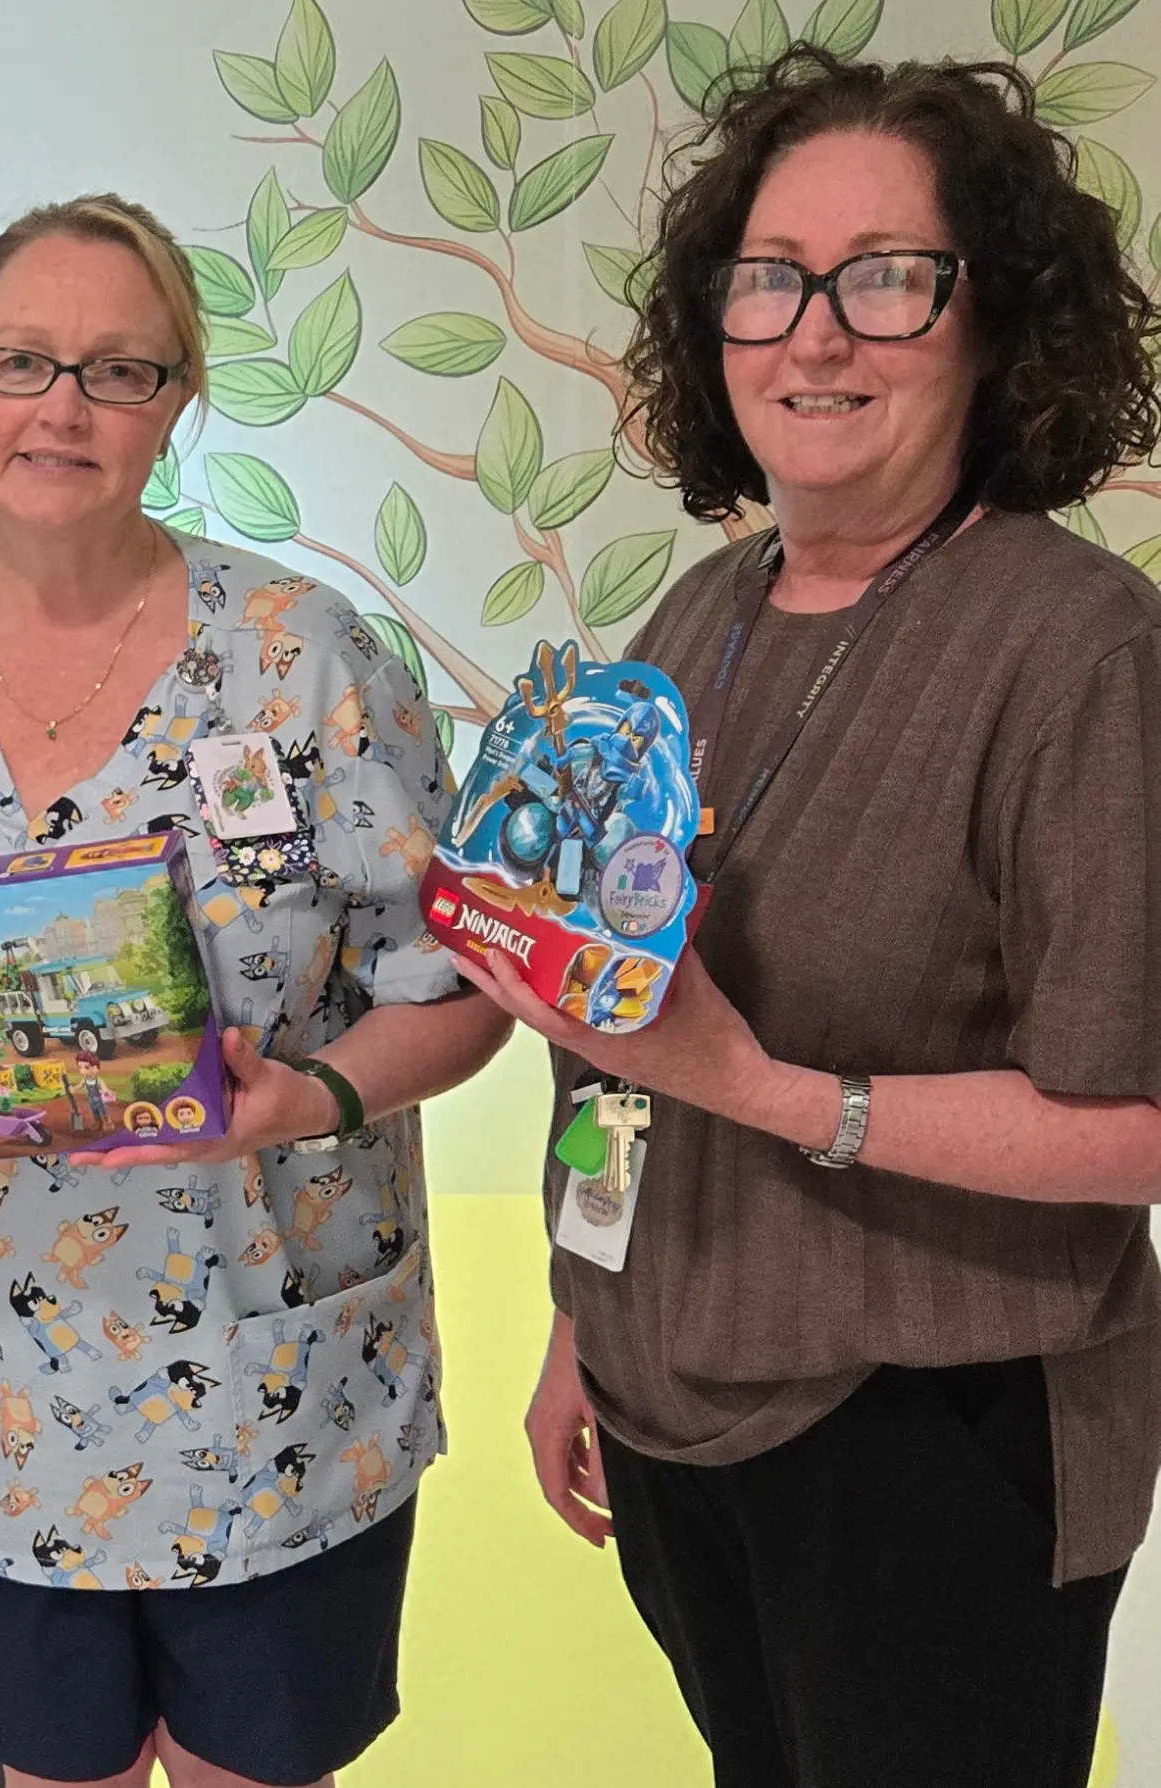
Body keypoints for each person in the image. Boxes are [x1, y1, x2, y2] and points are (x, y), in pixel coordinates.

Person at [0, 195, 511, 1788]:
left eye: (117, 370)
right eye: (21, 360)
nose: (60, 408)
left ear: (176, 398)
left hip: (270, 1379)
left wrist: (313, 1095)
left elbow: (461, 984)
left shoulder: (302, 659)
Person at [448, 50, 1161, 1788]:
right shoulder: (701, 613)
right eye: (766, 278)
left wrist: (765, 1089)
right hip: (675, 1399)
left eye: (884, 278)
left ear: (995, 325)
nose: (813, 334)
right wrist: (584, 1319)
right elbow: (615, 1030)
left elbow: (1135, 1124)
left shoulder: (1078, 652)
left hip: (929, 1435)